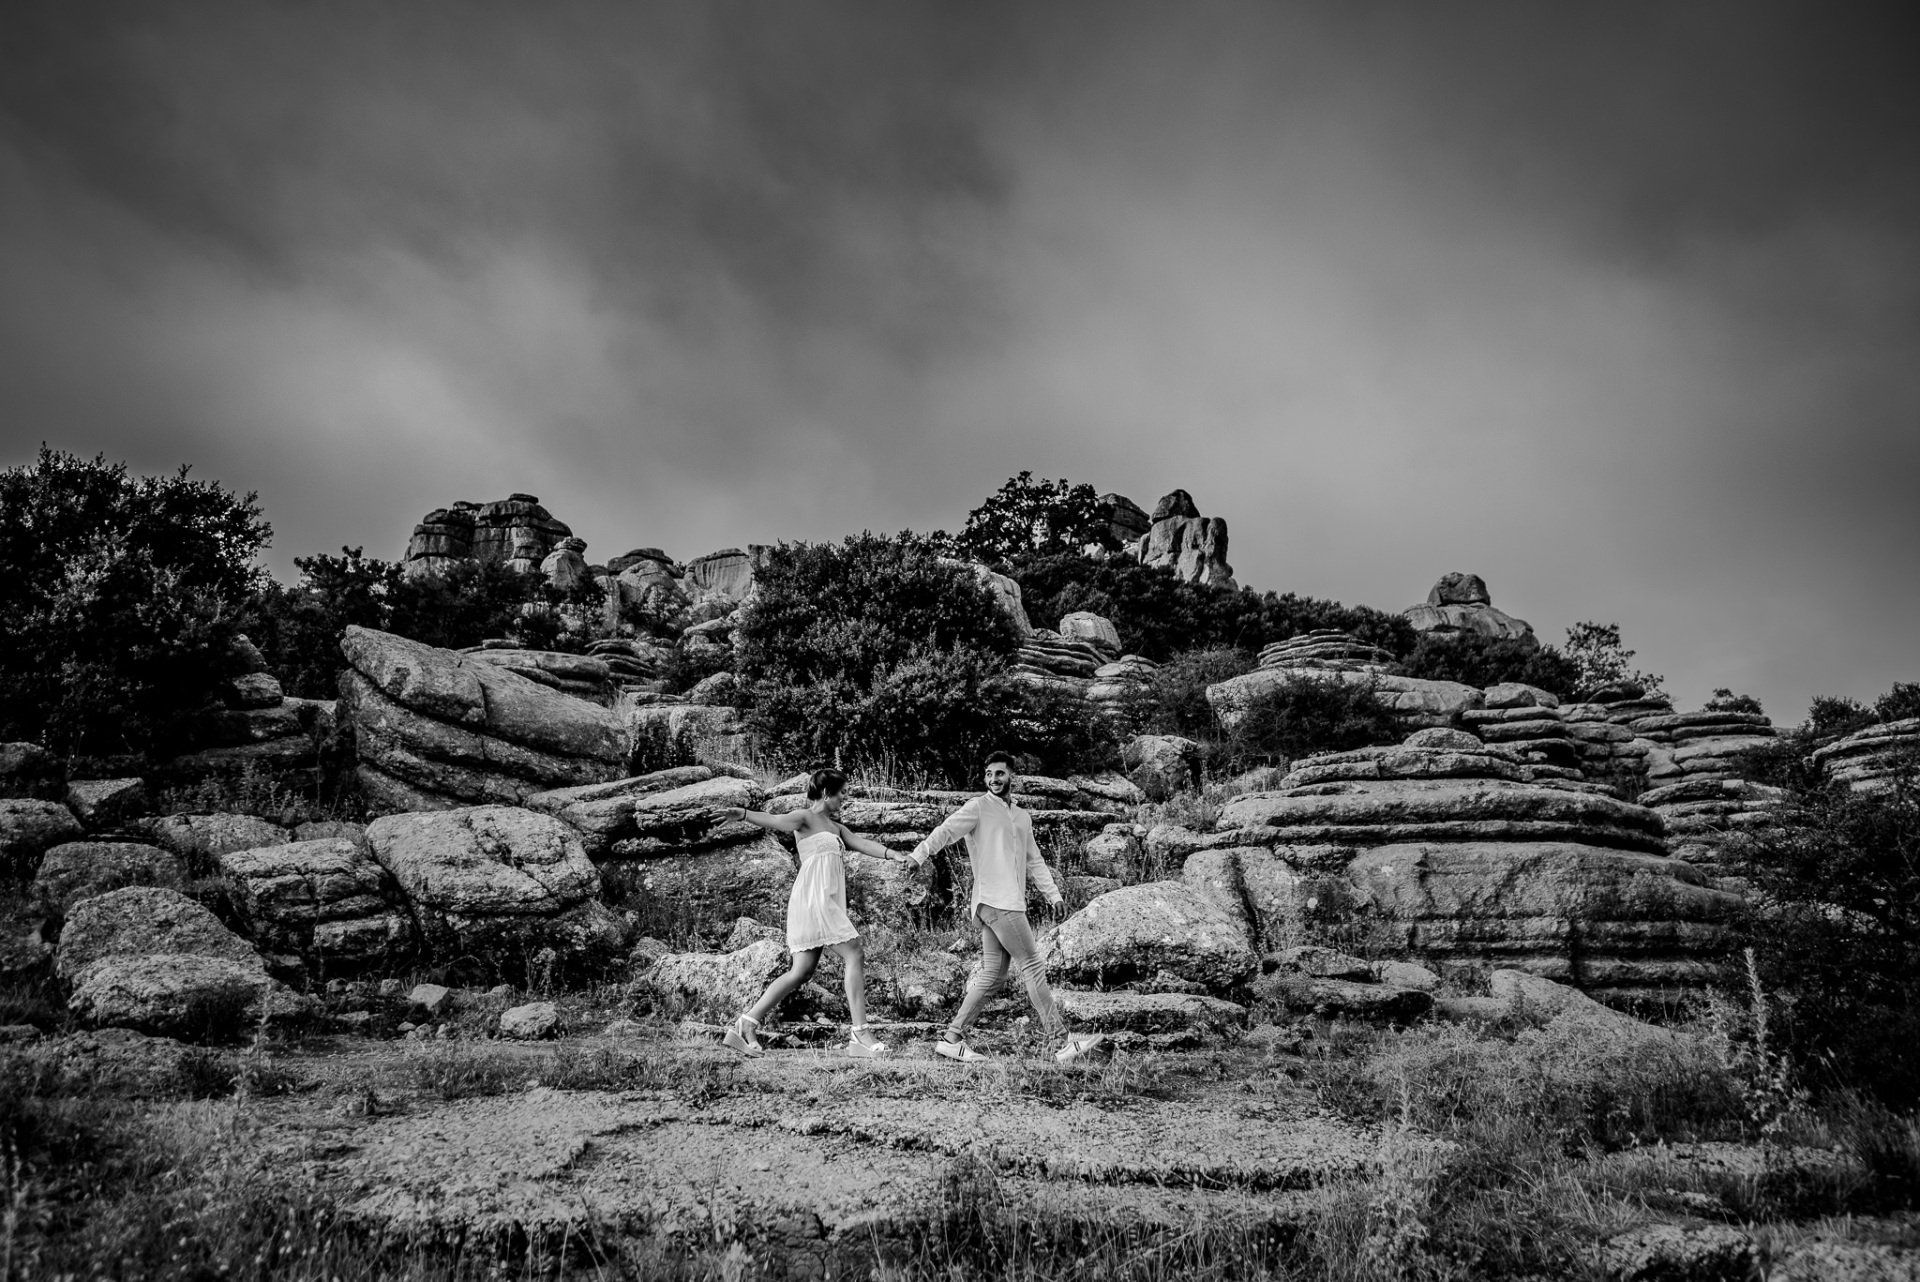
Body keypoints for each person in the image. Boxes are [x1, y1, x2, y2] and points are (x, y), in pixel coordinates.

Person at [908, 750, 1104, 1065]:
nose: (993, 779)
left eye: (999, 773)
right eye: (988, 774)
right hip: (997, 901)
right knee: (1032, 965)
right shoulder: (978, 808)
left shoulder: (1022, 816)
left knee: (993, 977)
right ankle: (1062, 1042)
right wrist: (919, 855)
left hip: (1001, 903)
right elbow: (946, 831)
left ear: (1012, 775)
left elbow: (1034, 859)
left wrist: (1053, 895)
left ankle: (951, 1039)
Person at [719, 767, 912, 1058]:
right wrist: (743, 814)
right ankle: (860, 1033)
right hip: (813, 900)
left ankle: (746, 1023)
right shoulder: (805, 818)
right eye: (842, 793)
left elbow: (862, 844)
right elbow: (775, 821)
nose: (845, 798)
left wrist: (893, 854)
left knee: (800, 972)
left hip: (825, 902)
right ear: (826, 793)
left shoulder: (836, 828)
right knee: (854, 953)